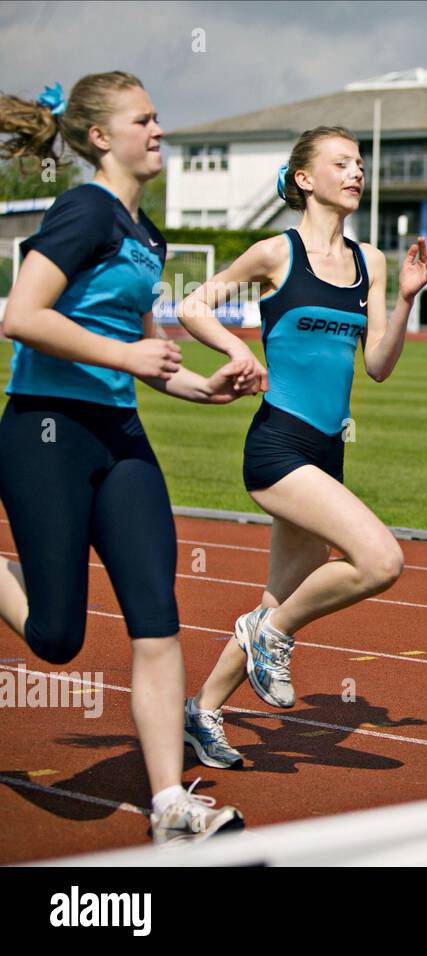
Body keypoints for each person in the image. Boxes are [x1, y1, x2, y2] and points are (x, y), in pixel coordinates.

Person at [0, 72, 251, 842]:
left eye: (158, 118)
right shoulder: (82, 210)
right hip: (48, 431)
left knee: (157, 616)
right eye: (144, 120)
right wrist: (127, 355)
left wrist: (203, 389)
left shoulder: (146, 235)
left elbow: (146, 354)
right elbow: (21, 315)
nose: (159, 131)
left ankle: (170, 804)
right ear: (101, 137)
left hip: (121, 438)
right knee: (56, 638)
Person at [175, 125, 427, 768]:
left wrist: (402, 302)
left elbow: (376, 364)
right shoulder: (274, 254)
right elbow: (192, 305)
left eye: (359, 164)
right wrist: (238, 350)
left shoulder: (369, 261)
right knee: (380, 561)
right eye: (340, 163)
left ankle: (202, 709)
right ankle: (274, 636)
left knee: (277, 595)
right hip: (278, 447)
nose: (355, 173)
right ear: (303, 179)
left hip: (328, 450)